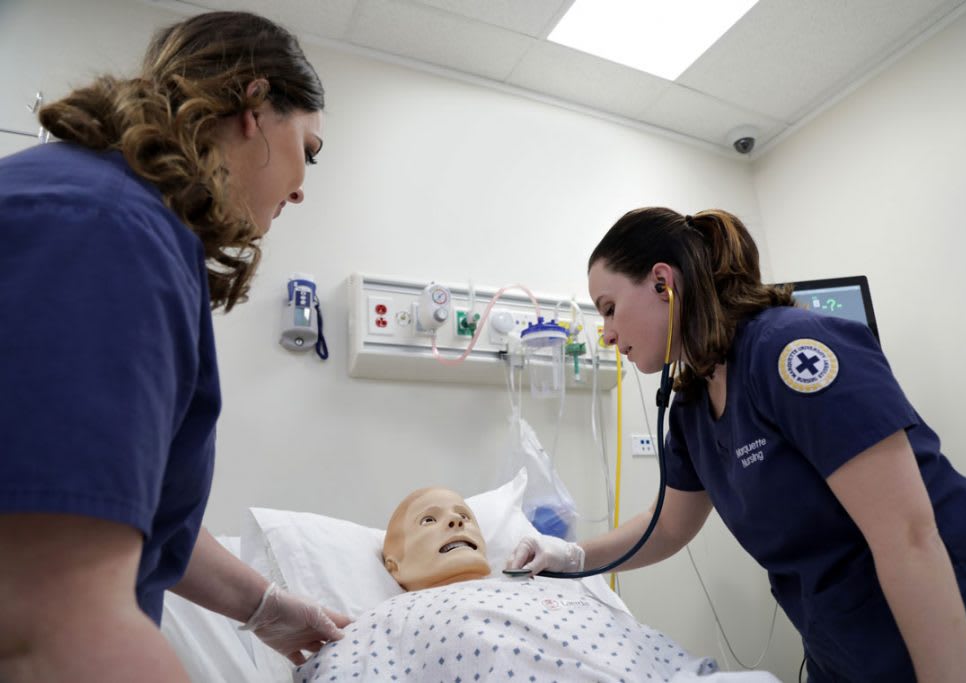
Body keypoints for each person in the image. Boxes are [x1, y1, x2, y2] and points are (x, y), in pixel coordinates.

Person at [506, 207, 966, 683]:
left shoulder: (789, 349)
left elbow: (909, 536)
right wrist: (572, 556)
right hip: (852, 650)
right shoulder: (689, 408)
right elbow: (667, 527)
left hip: (965, 631)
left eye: (610, 308)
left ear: (663, 282)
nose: (608, 335)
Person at [0, 11, 348, 682]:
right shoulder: (105, 229)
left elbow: (127, 520)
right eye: (308, 148)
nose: (303, 186)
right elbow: (48, 621)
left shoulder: (113, 214)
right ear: (253, 105)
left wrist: (265, 607)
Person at [293, 486, 779, 683]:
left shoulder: (550, 588)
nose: (456, 524)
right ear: (392, 563)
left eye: (464, 516)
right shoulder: (377, 622)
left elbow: (650, 650)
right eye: (430, 520)